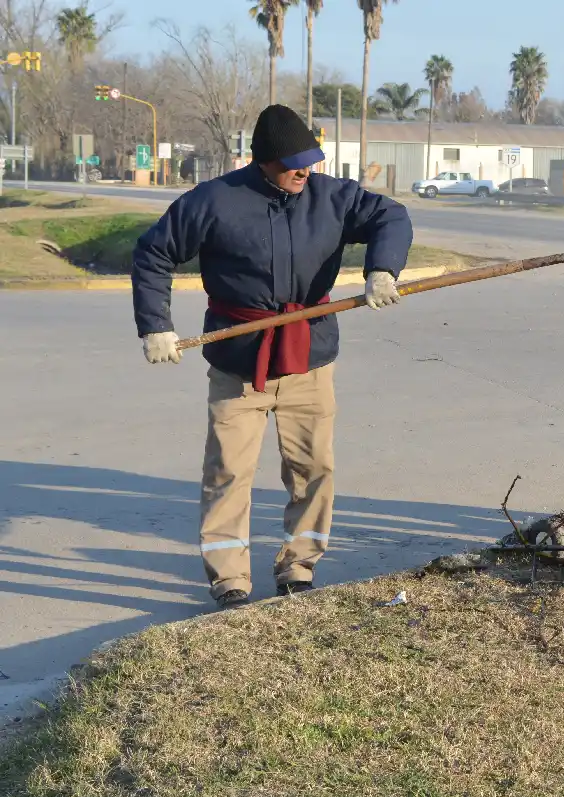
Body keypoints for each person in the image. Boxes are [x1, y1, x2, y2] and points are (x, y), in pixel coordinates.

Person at [131, 104, 414, 608]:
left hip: (310, 356)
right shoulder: (214, 201)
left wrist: (383, 269)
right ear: (264, 162)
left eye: (311, 160)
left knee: (312, 469)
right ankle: (229, 579)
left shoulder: (332, 197)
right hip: (239, 360)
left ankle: (298, 568)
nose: (304, 171)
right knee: (228, 472)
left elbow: (390, 216)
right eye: (292, 164)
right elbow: (153, 254)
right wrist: (157, 325)